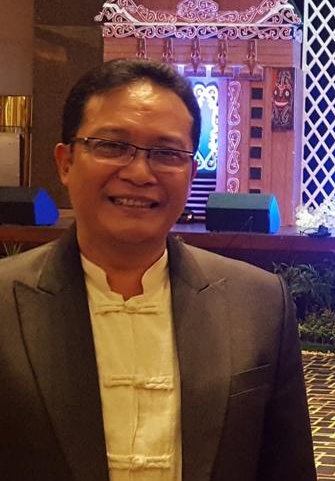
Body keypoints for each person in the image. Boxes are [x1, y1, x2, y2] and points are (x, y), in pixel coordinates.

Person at [0, 59, 317, 481]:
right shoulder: (6, 302)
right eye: (112, 146)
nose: (138, 173)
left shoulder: (258, 305)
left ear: (191, 173)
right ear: (65, 163)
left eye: (167, 153)